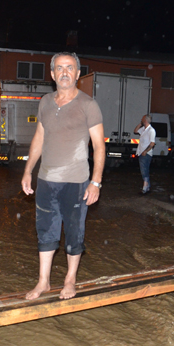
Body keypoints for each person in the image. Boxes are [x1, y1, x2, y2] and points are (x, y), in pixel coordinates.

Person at [21, 52, 105, 300]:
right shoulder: (45, 102)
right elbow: (39, 138)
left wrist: (96, 182)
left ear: (78, 74)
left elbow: (99, 146)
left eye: (70, 68)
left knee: (74, 232)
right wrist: (28, 170)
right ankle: (43, 282)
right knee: (45, 231)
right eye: (59, 68)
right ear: (52, 74)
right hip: (47, 180)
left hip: (76, 181)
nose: (64, 72)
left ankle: (70, 281)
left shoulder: (88, 105)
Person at [134, 115, 156, 194]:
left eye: (142, 119)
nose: (141, 120)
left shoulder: (151, 130)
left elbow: (152, 143)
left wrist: (146, 151)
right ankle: (147, 186)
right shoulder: (143, 129)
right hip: (140, 152)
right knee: (144, 170)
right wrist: (140, 124)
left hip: (146, 154)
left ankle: (145, 188)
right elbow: (135, 131)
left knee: (144, 171)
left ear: (145, 120)